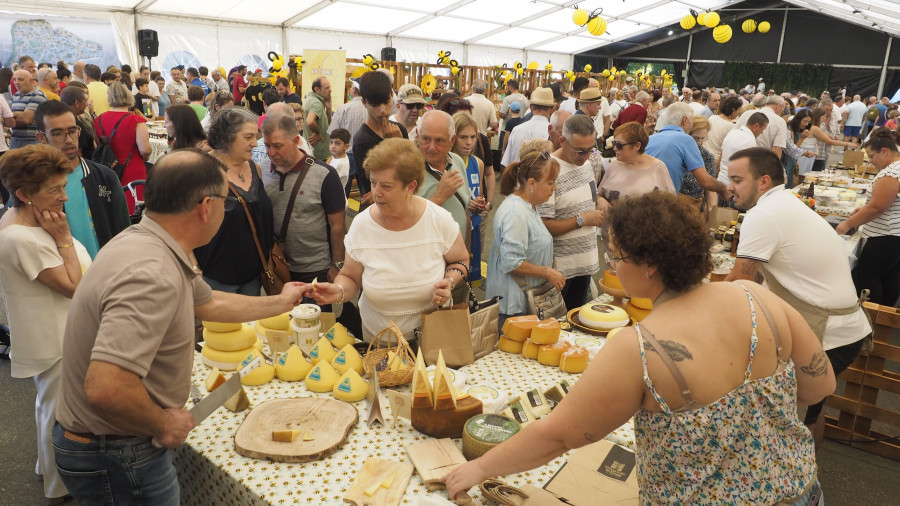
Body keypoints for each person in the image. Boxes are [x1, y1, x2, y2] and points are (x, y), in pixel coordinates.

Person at [445, 190, 836, 504]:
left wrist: (479, 469)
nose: (612, 268)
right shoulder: (755, 295)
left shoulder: (641, 348)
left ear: (647, 263)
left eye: (614, 257)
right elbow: (820, 387)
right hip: (801, 490)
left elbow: (559, 435)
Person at [52, 149, 304, 505]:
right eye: (225, 203)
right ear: (204, 206)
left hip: (114, 443)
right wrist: (162, 423)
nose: (224, 210)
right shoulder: (152, 272)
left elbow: (209, 303)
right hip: (118, 450)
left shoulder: (152, 241)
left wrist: (281, 301)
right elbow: (106, 387)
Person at [725, 147, 871, 447]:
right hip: (843, 328)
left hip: (828, 332)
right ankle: (805, 480)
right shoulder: (784, 203)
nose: (729, 187)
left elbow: (740, 281)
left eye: (737, 180)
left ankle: (797, 487)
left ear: (763, 181)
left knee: (789, 422)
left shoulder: (763, 213)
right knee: (808, 416)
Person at [0, 145, 92, 505]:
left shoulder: (22, 220)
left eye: (62, 186)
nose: (63, 196)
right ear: (24, 195)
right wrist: (65, 240)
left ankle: (48, 470)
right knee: (59, 416)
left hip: (58, 333)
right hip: (57, 338)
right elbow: (75, 289)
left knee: (50, 409)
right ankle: (59, 488)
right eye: (54, 190)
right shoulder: (22, 236)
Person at [309, 138, 469, 341]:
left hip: (431, 340)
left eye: (386, 186)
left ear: (410, 187)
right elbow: (350, 276)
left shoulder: (438, 219)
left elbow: (460, 260)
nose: (376, 192)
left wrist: (449, 281)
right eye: (373, 183)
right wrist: (339, 290)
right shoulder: (362, 225)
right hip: (378, 342)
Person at [262, 112, 346, 303]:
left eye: (277, 146)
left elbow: (338, 226)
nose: (271, 152)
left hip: (315, 270)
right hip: (277, 269)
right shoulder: (261, 171)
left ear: (295, 141)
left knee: (314, 326)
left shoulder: (325, 175)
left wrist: (337, 265)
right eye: (267, 145)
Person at [35, 100, 131, 258]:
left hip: (106, 271)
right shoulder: (31, 183)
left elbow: (124, 229)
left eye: (73, 131)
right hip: (61, 274)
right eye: (58, 133)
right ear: (42, 137)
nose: (68, 139)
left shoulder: (104, 176)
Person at [196, 107, 274, 295]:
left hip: (253, 277)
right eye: (248, 137)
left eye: (255, 136)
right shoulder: (202, 172)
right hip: (216, 279)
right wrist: (193, 268)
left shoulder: (255, 168)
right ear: (227, 137)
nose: (255, 143)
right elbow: (183, 225)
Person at [487, 149, 565, 328]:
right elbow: (512, 262)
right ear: (532, 183)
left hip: (524, 304)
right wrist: (547, 272)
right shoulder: (516, 213)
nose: (555, 188)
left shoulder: (528, 206)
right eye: (550, 183)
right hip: (514, 309)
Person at [538, 115, 601, 310]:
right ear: (562, 140)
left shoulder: (587, 165)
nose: (586, 156)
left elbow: (587, 198)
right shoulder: (548, 169)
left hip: (585, 264)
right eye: (580, 151)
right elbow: (543, 226)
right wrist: (582, 220)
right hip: (560, 270)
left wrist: (601, 202)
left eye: (591, 149)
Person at [836, 128, 900, 306]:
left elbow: (877, 207)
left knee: (868, 275)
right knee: (889, 276)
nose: (870, 161)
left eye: (872, 156)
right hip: (893, 233)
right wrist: (864, 209)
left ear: (885, 151)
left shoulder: (891, 172)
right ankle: (882, 318)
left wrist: (847, 224)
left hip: (885, 234)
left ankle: (870, 316)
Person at [351, 71, 408, 207]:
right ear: (364, 102)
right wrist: (395, 144)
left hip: (400, 204)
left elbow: (411, 171)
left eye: (386, 102)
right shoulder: (362, 139)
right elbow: (378, 185)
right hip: (377, 209)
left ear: (392, 96)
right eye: (375, 105)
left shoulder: (399, 129)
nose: (383, 110)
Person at [646, 102, 728, 197]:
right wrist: (723, 189)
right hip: (664, 201)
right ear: (685, 120)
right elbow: (705, 181)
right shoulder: (686, 140)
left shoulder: (650, 139)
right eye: (691, 119)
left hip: (643, 199)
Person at [93, 83, 151, 213]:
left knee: (113, 210)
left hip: (108, 168)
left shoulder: (98, 120)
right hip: (132, 168)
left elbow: (99, 145)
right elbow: (145, 150)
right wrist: (146, 157)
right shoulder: (136, 120)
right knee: (134, 209)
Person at [417, 110, 471, 250]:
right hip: (427, 260)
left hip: (458, 258)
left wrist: (467, 253)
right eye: (426, 139)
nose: (431, 147)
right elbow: (404, 224)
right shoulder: (406, 170)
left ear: (452, 140)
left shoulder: (457, 161)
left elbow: (465, 210)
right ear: (418, 136)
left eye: (439, 141)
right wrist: (439, 197)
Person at [598, 121, 674, 210]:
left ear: (637, 146)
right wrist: (600, 200)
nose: (614, 148)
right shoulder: (614, 165)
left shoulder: (658, 168)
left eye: (619, 145)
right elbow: (599, 193)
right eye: (614, 143)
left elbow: (670, 204)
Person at [451, 112, 487, 282]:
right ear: (453, 137)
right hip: (454, 230)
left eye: (473, 137)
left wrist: (480, 203)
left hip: (473, 228)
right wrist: (466, 205)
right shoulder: (447, 164)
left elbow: (478, 195)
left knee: (470, 281)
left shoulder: (477, 163)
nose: (469, 142)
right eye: (463, 137)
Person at [502, 87, 556, 166]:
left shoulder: (516, 129)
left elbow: (506, 163)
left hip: (517, 176)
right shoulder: (551, 133)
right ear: (551, 109)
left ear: (531, 107)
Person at [680, 116, 717, 208]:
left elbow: (710, 189)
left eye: (702, 138)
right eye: (696, 138)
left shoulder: (707, 157)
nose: (699, 143)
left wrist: (712, 211)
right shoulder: (677, 152)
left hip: (694, 207)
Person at [10, 69, 48, 148]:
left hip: (33, 142)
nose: (16, 82)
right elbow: (6, 118)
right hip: (15, 141)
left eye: (20, 79)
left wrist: (10, 117)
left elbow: (25, 119)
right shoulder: (16, 95)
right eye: (14, 79)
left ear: (31, 81)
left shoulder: (38, 95)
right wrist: (16, 115)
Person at [303, 76, 332, 160]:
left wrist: (329, 109)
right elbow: (310, 121)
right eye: (326, 88)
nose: (330, 90)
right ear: (317, 90)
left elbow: (328, 125)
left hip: (312, 152)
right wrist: (317, 133)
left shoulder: (310, 99)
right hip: (319, 154)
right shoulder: (316, 103)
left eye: (329, 87)